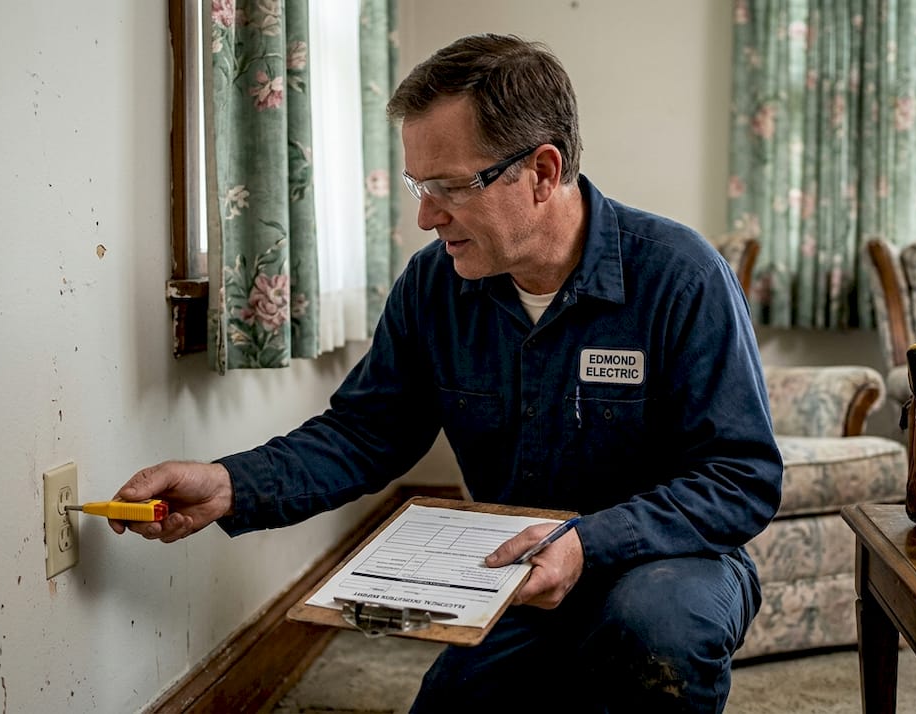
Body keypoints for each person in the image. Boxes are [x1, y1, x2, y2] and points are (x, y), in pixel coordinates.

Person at [112, 33, 783, 714]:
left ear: (543, 174)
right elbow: (365, 433)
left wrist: (588, 541)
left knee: (651, 636)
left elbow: (741, 477)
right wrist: (228, 484)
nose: (426, 216)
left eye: (449, 187)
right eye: (418, 186)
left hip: (673, 562)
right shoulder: (434, 286)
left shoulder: (681, 276)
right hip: (519, 570)